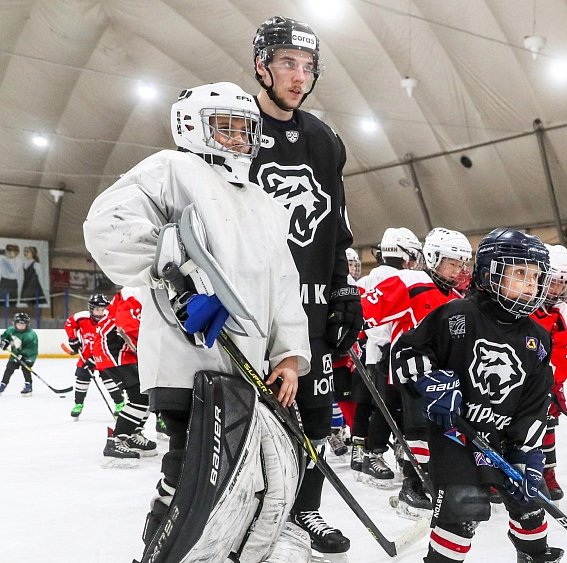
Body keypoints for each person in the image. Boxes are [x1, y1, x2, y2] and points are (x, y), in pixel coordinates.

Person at [84, 82, 311, 561]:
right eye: (225, 125)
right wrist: (177, 277)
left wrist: (289, 357)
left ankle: (215, 552)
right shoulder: (172, 169)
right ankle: (163, 550)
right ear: (192, 125)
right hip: (187, 362)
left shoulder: (265, 204)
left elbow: (284, 289)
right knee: (191, 470)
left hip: (247, 368)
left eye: (246, 127)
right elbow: (108, 225)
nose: (238, 136)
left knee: (240, 481)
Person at [249, 16, 361, 555]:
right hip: (250, 312)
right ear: (261, 66)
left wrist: (343, 289)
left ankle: (306, 510)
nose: (299, 76)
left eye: (307, 66)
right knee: (249, 425)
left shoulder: (323, 139)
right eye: (288, 64)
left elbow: (336, 222)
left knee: (316, 421)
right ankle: (246, 513)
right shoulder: (234, 126)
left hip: (311, 309)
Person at [391, 228, 563, 563]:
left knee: (530, 502)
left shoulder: (538, 338)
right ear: (489, 274)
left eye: (536, 276)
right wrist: (432, 384)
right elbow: (405, 357)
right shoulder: (458, 316)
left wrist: (527, 460)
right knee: (462, 503)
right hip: (455, 436)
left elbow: (533, 407)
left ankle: (535, 555)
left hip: (499, 439)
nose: (531, 284)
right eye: (519, 273)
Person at [362, 227, 471, 518]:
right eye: (452, 263)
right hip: (410, 373)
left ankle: (429, 480)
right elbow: (369, 305)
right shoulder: (413, 281)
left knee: (439, 429)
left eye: (462, 264)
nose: (459, 270)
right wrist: (351, 321)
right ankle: (413, 486)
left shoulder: (456, 298)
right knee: (419, 430)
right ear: (433, 258)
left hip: (440, 378)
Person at [353, 227, 423, 478]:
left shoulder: (373, 276)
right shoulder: (395, 278)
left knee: (380, 405)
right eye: (412, 255)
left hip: (379, 352)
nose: (414, 261)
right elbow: (380, 322)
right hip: (386, 353)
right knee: (388, 407)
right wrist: (387, 347)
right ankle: (375, 454)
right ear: (403, 253)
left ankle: (373, 454)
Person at [530, 244, 567, 502]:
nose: (558, 290)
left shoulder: (563, 314)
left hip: (543, 383)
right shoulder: (521, 303)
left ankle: (547, 473)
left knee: (546, 425)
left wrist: (550, 384)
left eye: (563, 284)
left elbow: (561, 359)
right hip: (512, 379)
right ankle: (497, 474)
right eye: (554, 282)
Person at [64, 293, 125, 418]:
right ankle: (78, 404)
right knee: (81, 379)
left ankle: (119, 403)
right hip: (86, 356)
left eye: (104, 309)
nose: (101, 313)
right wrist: (73, 339)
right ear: (91, 309)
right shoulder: (81, 317)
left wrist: (95, 360)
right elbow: (69, 323)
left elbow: (112, 344)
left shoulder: (110, 321)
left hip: (105, 357)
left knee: (110, 381)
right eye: (97, 309)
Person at [0, 312, 37, 395]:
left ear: (27, 324)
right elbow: (4, 337)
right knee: (9, 368)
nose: (21, 326)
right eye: (19, 324)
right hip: (15, 354)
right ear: (14, 323)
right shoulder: (10, 330)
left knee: (26, 368)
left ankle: (28, 385)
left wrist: (24, 355)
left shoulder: (31, 334)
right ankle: (2, 384)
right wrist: (4, 342)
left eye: (23, 325)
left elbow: (32, 348)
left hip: (29, 356)